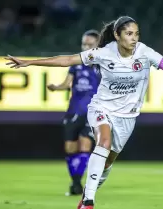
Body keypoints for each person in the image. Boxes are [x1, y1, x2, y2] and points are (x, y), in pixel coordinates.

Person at [5, 16, 163, 209]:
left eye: (137, 34)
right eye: (129, 34)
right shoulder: (103, 53)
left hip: (127, 116)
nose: (134, 39)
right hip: (101, 108)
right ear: (117, 35)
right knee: (103, 142)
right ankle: (88, 201)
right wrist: (29, 62)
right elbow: (67, 59)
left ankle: (86, 193)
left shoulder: (144, 53)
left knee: (107, 163)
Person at [46, 30, 100, 196]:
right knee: (70, 148)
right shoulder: (76, 64)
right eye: (84, 44)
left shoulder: (103, 64)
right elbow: (67, 84)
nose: (86, 47)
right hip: (73, 111)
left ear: (98, 45)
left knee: (85, 146)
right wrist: (56, 87)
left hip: (92, 113)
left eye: (90, 44)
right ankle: (75, 182)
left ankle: (76, 184)